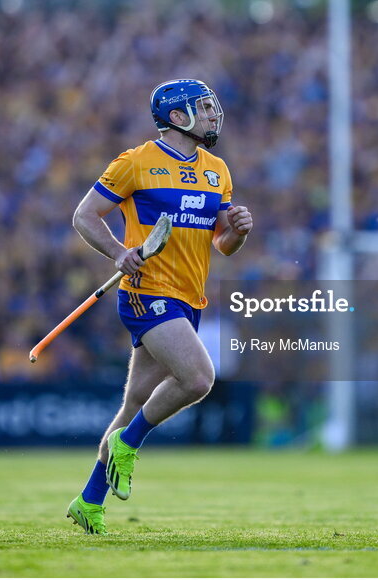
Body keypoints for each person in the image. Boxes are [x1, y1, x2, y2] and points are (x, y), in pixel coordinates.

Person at [65, 79, 253, 534]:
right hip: (147, 292)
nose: (213, 114)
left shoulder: (217, 170)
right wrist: (116, 253)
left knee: (133, 405)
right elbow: (84, 216)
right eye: (203, 108)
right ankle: (129, 446)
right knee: (198, 378)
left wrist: (238, 232)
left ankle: (89, 502)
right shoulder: (136, 162)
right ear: (176, 116)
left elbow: (221, 243)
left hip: (189, 298)